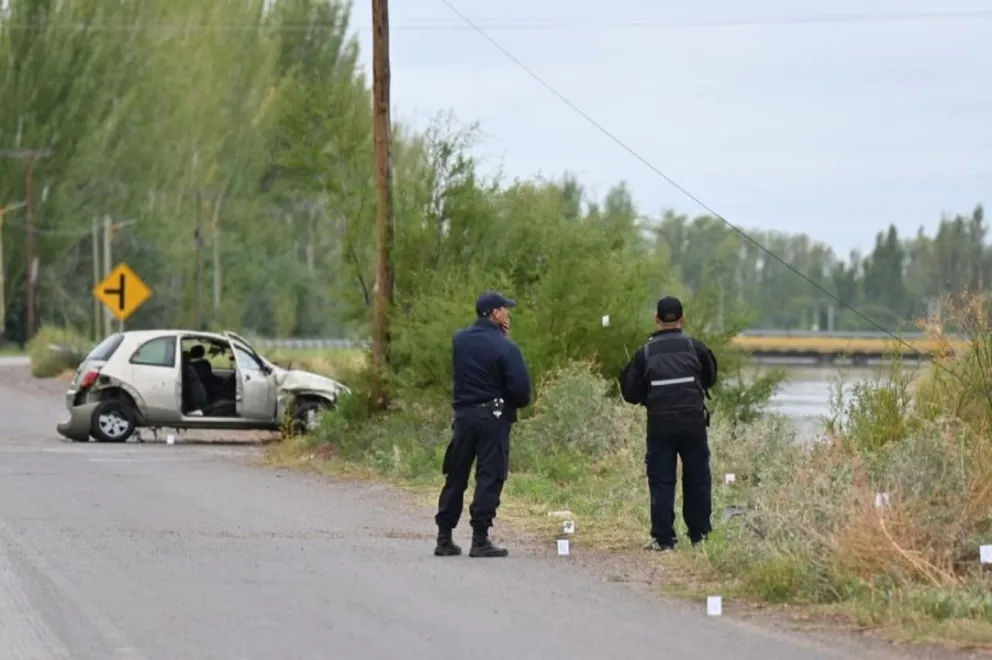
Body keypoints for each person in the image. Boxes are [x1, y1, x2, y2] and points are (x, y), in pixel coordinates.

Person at [433, 291, 532, 558]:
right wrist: (503, 338)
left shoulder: (460, 340)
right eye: (505, 309)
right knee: (490, 475)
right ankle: (479, 538)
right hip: (493, 417)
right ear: (495, 313)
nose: (508, 313)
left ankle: (444, 537)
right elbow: (522, 391)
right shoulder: (505, 347)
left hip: (464, 416)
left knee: (456, 474)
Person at [619, 295, 718, 551]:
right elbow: (710, 378)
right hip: (692, 421)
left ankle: (664, 539)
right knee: (697, 478)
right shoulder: (696, 347)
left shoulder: (646, 352)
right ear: (683, 319)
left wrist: (649, 397)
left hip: (660, 423)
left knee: (662, 480)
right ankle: (700, 537)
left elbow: (630, 392)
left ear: (656, 319)